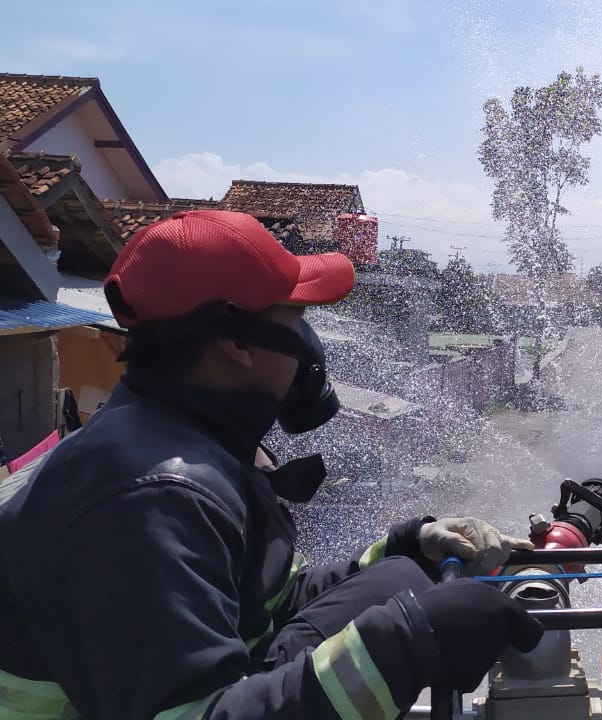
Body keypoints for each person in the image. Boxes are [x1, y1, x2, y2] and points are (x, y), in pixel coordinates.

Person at [0, 210, 542, 719]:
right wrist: (406, 645)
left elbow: (267, 603)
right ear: (237, 340)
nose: (309, 342)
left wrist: (403, 548)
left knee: (398, 577)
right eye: (298, 316)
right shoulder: (151, 495)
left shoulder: (190, 440)